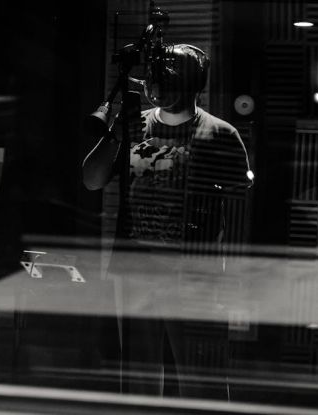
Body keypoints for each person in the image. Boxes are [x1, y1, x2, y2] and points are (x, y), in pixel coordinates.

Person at [82, 44, 252, 399]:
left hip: (193, 277)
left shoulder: (221, 134)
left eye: (170, 79)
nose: (160, 87)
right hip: (138, 270)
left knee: (200, 378)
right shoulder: (134, 125)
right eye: (157, 78)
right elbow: (92, 180)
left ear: (195, 85)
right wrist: (115, 132)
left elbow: (239, 204)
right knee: (139, 378)